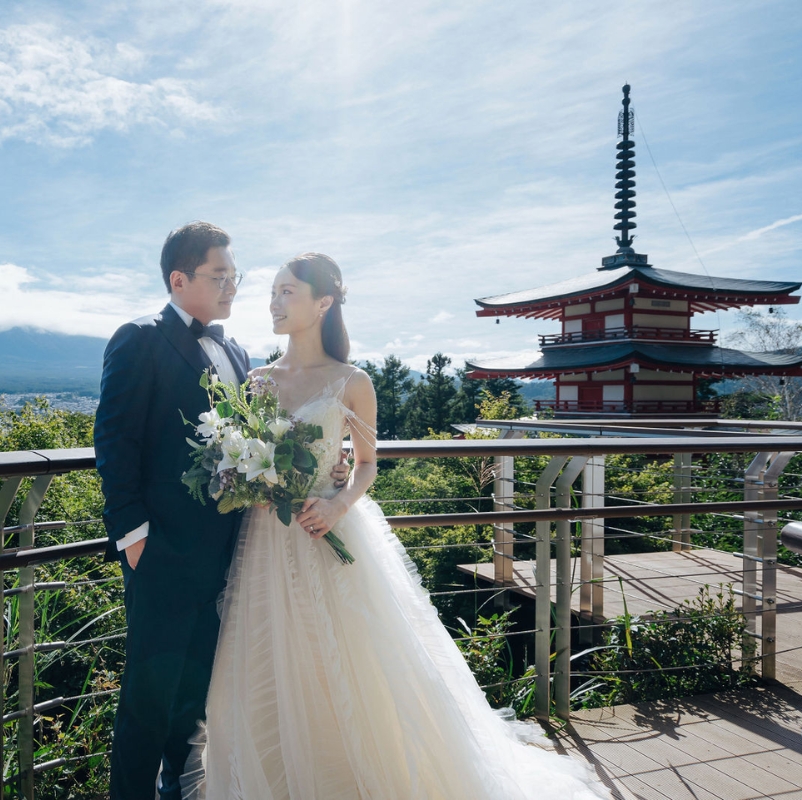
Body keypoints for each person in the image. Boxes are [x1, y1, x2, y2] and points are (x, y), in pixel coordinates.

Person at [182, 253, 611, 800]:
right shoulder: (258, 381)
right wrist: (252, 481)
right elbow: (247, 456)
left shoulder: (351, 381)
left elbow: (365, 464)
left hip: (328, 534)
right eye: (271, 291)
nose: (273, 301)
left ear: (323, 302)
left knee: (348, 663)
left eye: (286, 291)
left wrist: (338, 504)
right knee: (269, 663)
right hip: (267, 539)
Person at [95, 225, 350, 800]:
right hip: (161, 552)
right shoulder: (138, 339)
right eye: (220, 277)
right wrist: (134, 538)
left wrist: (327, 467)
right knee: (147, 697)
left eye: (235, 277)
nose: (234, 287)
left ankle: (179, 791)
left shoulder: (237, 353)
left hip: (237, 554)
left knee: (196, 697)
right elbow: (114, 443)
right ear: (179, 279)